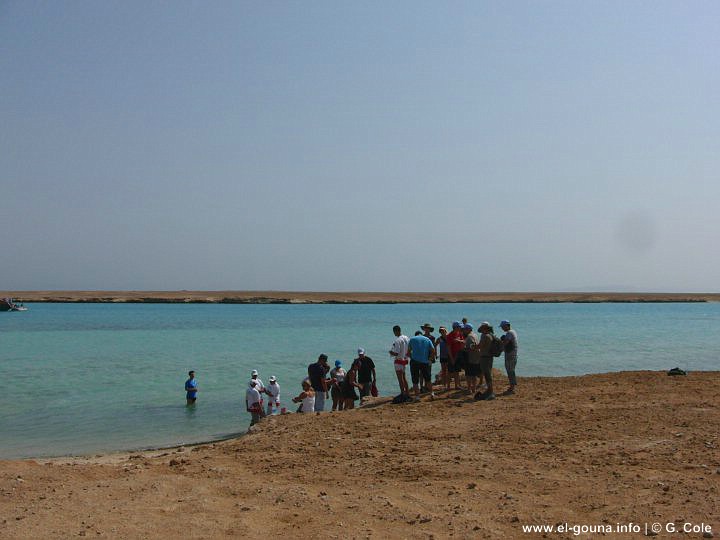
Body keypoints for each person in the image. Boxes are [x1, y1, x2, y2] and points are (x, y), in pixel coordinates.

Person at [407, 330, 435, 400]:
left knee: (415, 379)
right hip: (425, 362)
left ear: (415, 335)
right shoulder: (427, 339)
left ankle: (417, 396)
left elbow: (408, 352)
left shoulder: (412, 339)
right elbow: (433, 350)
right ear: (421, 334)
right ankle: (432, 393)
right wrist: (430, 359)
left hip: (415, 362)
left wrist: (411, 357)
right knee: (428, 379)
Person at [475, 322, 496, 401]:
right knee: (488, 374)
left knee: (487, 375)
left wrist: (471, 346)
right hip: (489, 357)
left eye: (482, 327)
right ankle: (489, 391)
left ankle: (490, 392)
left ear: (484, 328)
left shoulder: (485, 336)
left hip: (485, 357)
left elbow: (480, 346)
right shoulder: (490, 335)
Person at [389, 325, 410, 400]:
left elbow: (396, 353)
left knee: (400, 378)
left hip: (398, 360)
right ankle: (407, 392)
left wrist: (391, 352)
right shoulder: (407, 338)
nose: (394, 333)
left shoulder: (398, 340)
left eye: (394, 332)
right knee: (404, 377)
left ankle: (402, 393)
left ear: (396, 331)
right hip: (405, 360)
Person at [500, 320, 518, 395]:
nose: (502, 328)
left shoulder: (509, 333)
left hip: (510, 354)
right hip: (513, 354)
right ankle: (512, 386)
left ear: (507, 325)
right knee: (511, 370)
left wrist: (498, 348)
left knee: (510, 371)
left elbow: (505, 343)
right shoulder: (513, 331)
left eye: (503, 327)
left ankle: (512, 387)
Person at [463, 323, 482, 395]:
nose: (463, 331)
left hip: (471, 357)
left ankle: (469, 389)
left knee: (468, 374)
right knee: (473, 374)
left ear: (468, 329)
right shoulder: (475, 335)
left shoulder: (470, 337)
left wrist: (464, 349)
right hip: (476, 358)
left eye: (464, 329)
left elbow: (472, 347)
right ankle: (473, 388)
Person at [447, 321, 465, 390]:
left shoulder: (459, 334)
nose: (460, 328)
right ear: (455, 327)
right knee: (450, 371)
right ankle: (448, 386)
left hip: (458, 354)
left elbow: (463, 342)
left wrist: (458, 341)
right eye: (459, 327)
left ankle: (456, 385)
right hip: (452, 355)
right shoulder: (449, 335)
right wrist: (451, 358)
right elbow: (448, 348)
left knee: (457, 371)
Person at [437, 326, 450, 390]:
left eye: (443, 331)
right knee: (443, 371)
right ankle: (444, 384)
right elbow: (434, 345)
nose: (442, 332)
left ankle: (448, 385)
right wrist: (436, 354)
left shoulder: (449, 337)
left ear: (445, 331)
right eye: (441, 331)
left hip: (448, 356)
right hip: (442, 356)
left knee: (448, 371)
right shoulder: (439, 338)